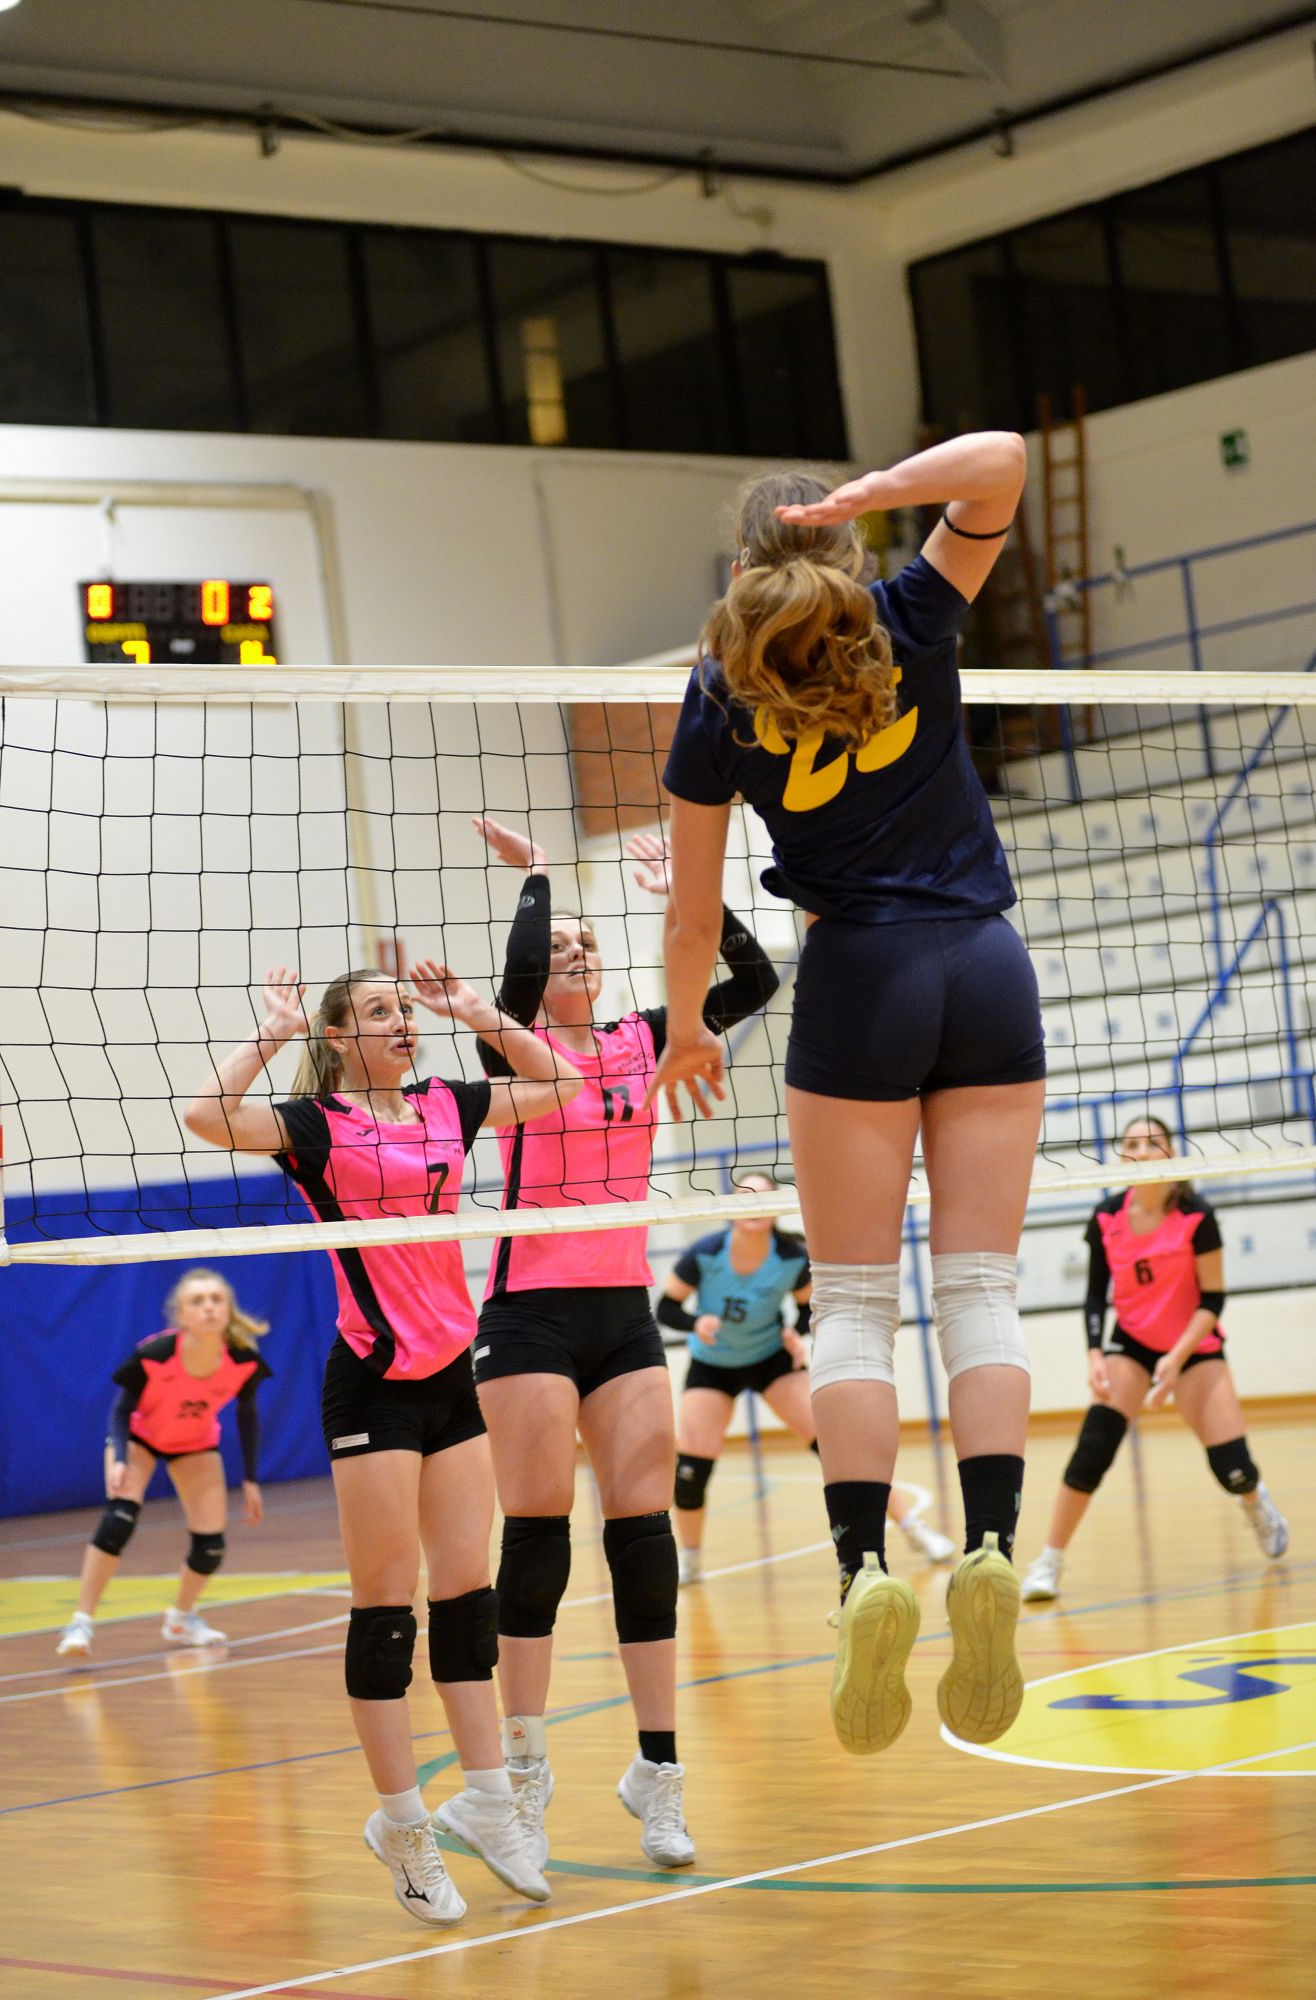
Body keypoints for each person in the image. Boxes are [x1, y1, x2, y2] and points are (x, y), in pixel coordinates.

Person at [656, 429, 1043, 1756]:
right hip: (985, 964)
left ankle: (864, 1572)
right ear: (850, 544)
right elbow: (1004, 459)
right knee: (980, 1286)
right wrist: (888, 493)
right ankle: (990, 1548)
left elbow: (693, 917)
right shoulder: (909, 612)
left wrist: (689, 1032)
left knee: (859, 1305)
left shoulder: (720, 689)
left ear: (739, 568)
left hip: (859, 975)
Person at [184, 959, 583, 1925]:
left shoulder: (448, 1102)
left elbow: (562, 1083)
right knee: (385, 1609)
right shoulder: (316, 1126)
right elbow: (204, 1115)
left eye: (403, 1008)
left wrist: (473, 1010)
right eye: (378, 1011)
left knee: (468, 1597)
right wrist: (274, 1032)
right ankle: (402, 1827)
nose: (402, 1021)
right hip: (372, 1381)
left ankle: (486, 1798)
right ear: (340, 1037)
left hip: (451, 1376)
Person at [457, 815, 777, 1869]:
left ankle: (659, 1773)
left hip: (620, 1313)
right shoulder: (518, 1051)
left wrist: (687, 899)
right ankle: (523, 1777)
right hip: (528, 1314)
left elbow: (755, 977)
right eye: (559, 948)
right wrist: (541, 879)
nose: (574, 954)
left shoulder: (646, 1038)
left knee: (644, 1540)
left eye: (587, 942)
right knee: (538, 1538)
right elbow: (511, 988)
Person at [1022, 1115, 1289, 1602]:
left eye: (1153, 1143)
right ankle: (1049, 1562)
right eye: (1132, 1144)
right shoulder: (1106, 1216)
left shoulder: (1196, 1215)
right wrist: (1095, 1354)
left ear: (1171, 1153)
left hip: (1194, 1344)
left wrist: (1177, 1357)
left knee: (1233, 1468)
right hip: (1133, 1343)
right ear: (1121, 1156)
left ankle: (1256, 1501)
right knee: (1092, 1449)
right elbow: (1094, 1296)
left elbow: (1213, 1299)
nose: (1142, 1152)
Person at [659, 1172, 956, 1582]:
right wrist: (696, 1322)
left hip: (771, 1360)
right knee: (691, 1468)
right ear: (729, 1206)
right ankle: (690, 1558)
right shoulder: (705, 1253)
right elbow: (666, 1308)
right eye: (744, 1196)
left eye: (761, 1198)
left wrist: (794, 1333)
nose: (752, 1205)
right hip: (712, 1364)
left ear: (774, 1209)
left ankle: (915, 1529)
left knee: (838, 1446)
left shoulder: (791, 1257)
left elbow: (807, 1308)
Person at [56, 1268, 270, 1661]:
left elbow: (247, 1415)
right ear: (181, 1314)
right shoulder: (155, 1355)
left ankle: (181, 1619)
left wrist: (252, 1479)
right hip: (140, 1437)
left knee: (211, 1549)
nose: (209, 1307)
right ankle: (80, 1622)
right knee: (118, 1521)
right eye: (197, 1301)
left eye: (217, 1299)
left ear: (228, 1309)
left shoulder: (243, 1360)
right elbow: (120, 1412)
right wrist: (120, 1460)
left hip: (195, 1443)